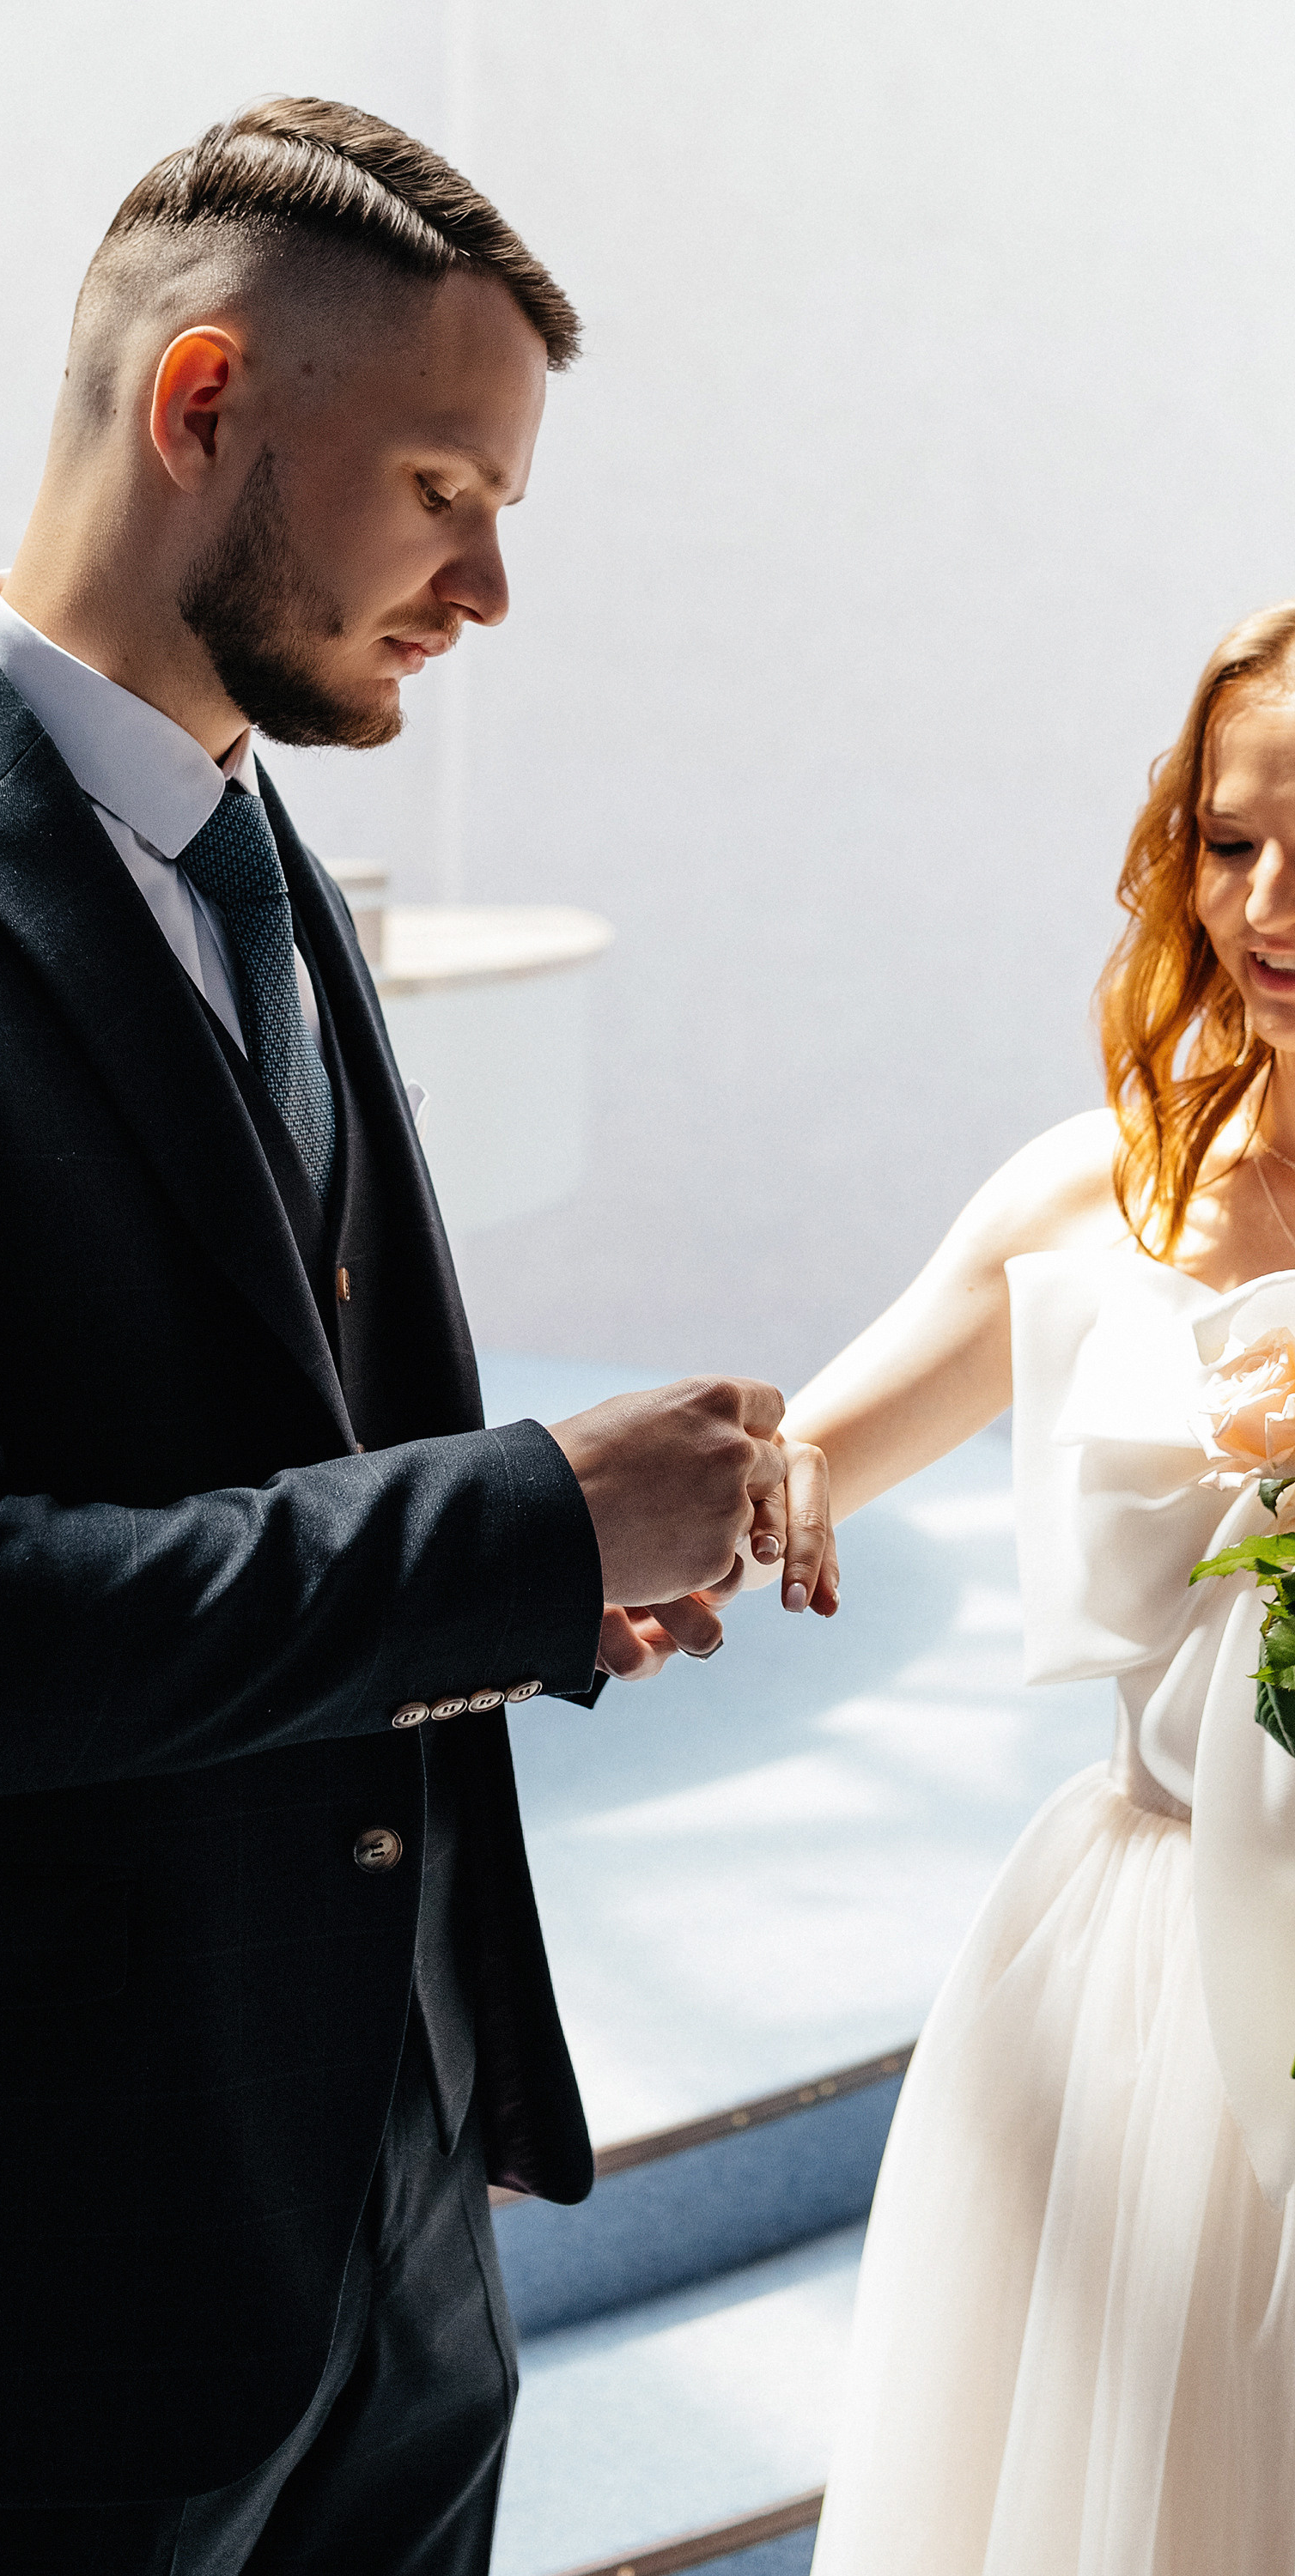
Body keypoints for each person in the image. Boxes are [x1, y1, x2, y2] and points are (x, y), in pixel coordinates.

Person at [0, 99, 835, 2576]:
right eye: (446, 490)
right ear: (203, 406)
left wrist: (542, 1591)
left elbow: (261, 1451)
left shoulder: (281, 870)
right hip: (15, 2283)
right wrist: (521, 1521)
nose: (487, 586)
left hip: (388, 2218)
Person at [788, 601, 1295, 2574]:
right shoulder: (1097, 1188)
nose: (1267, 906)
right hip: (1148, 1977)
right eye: (1230, 841)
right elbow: (791, 1467)